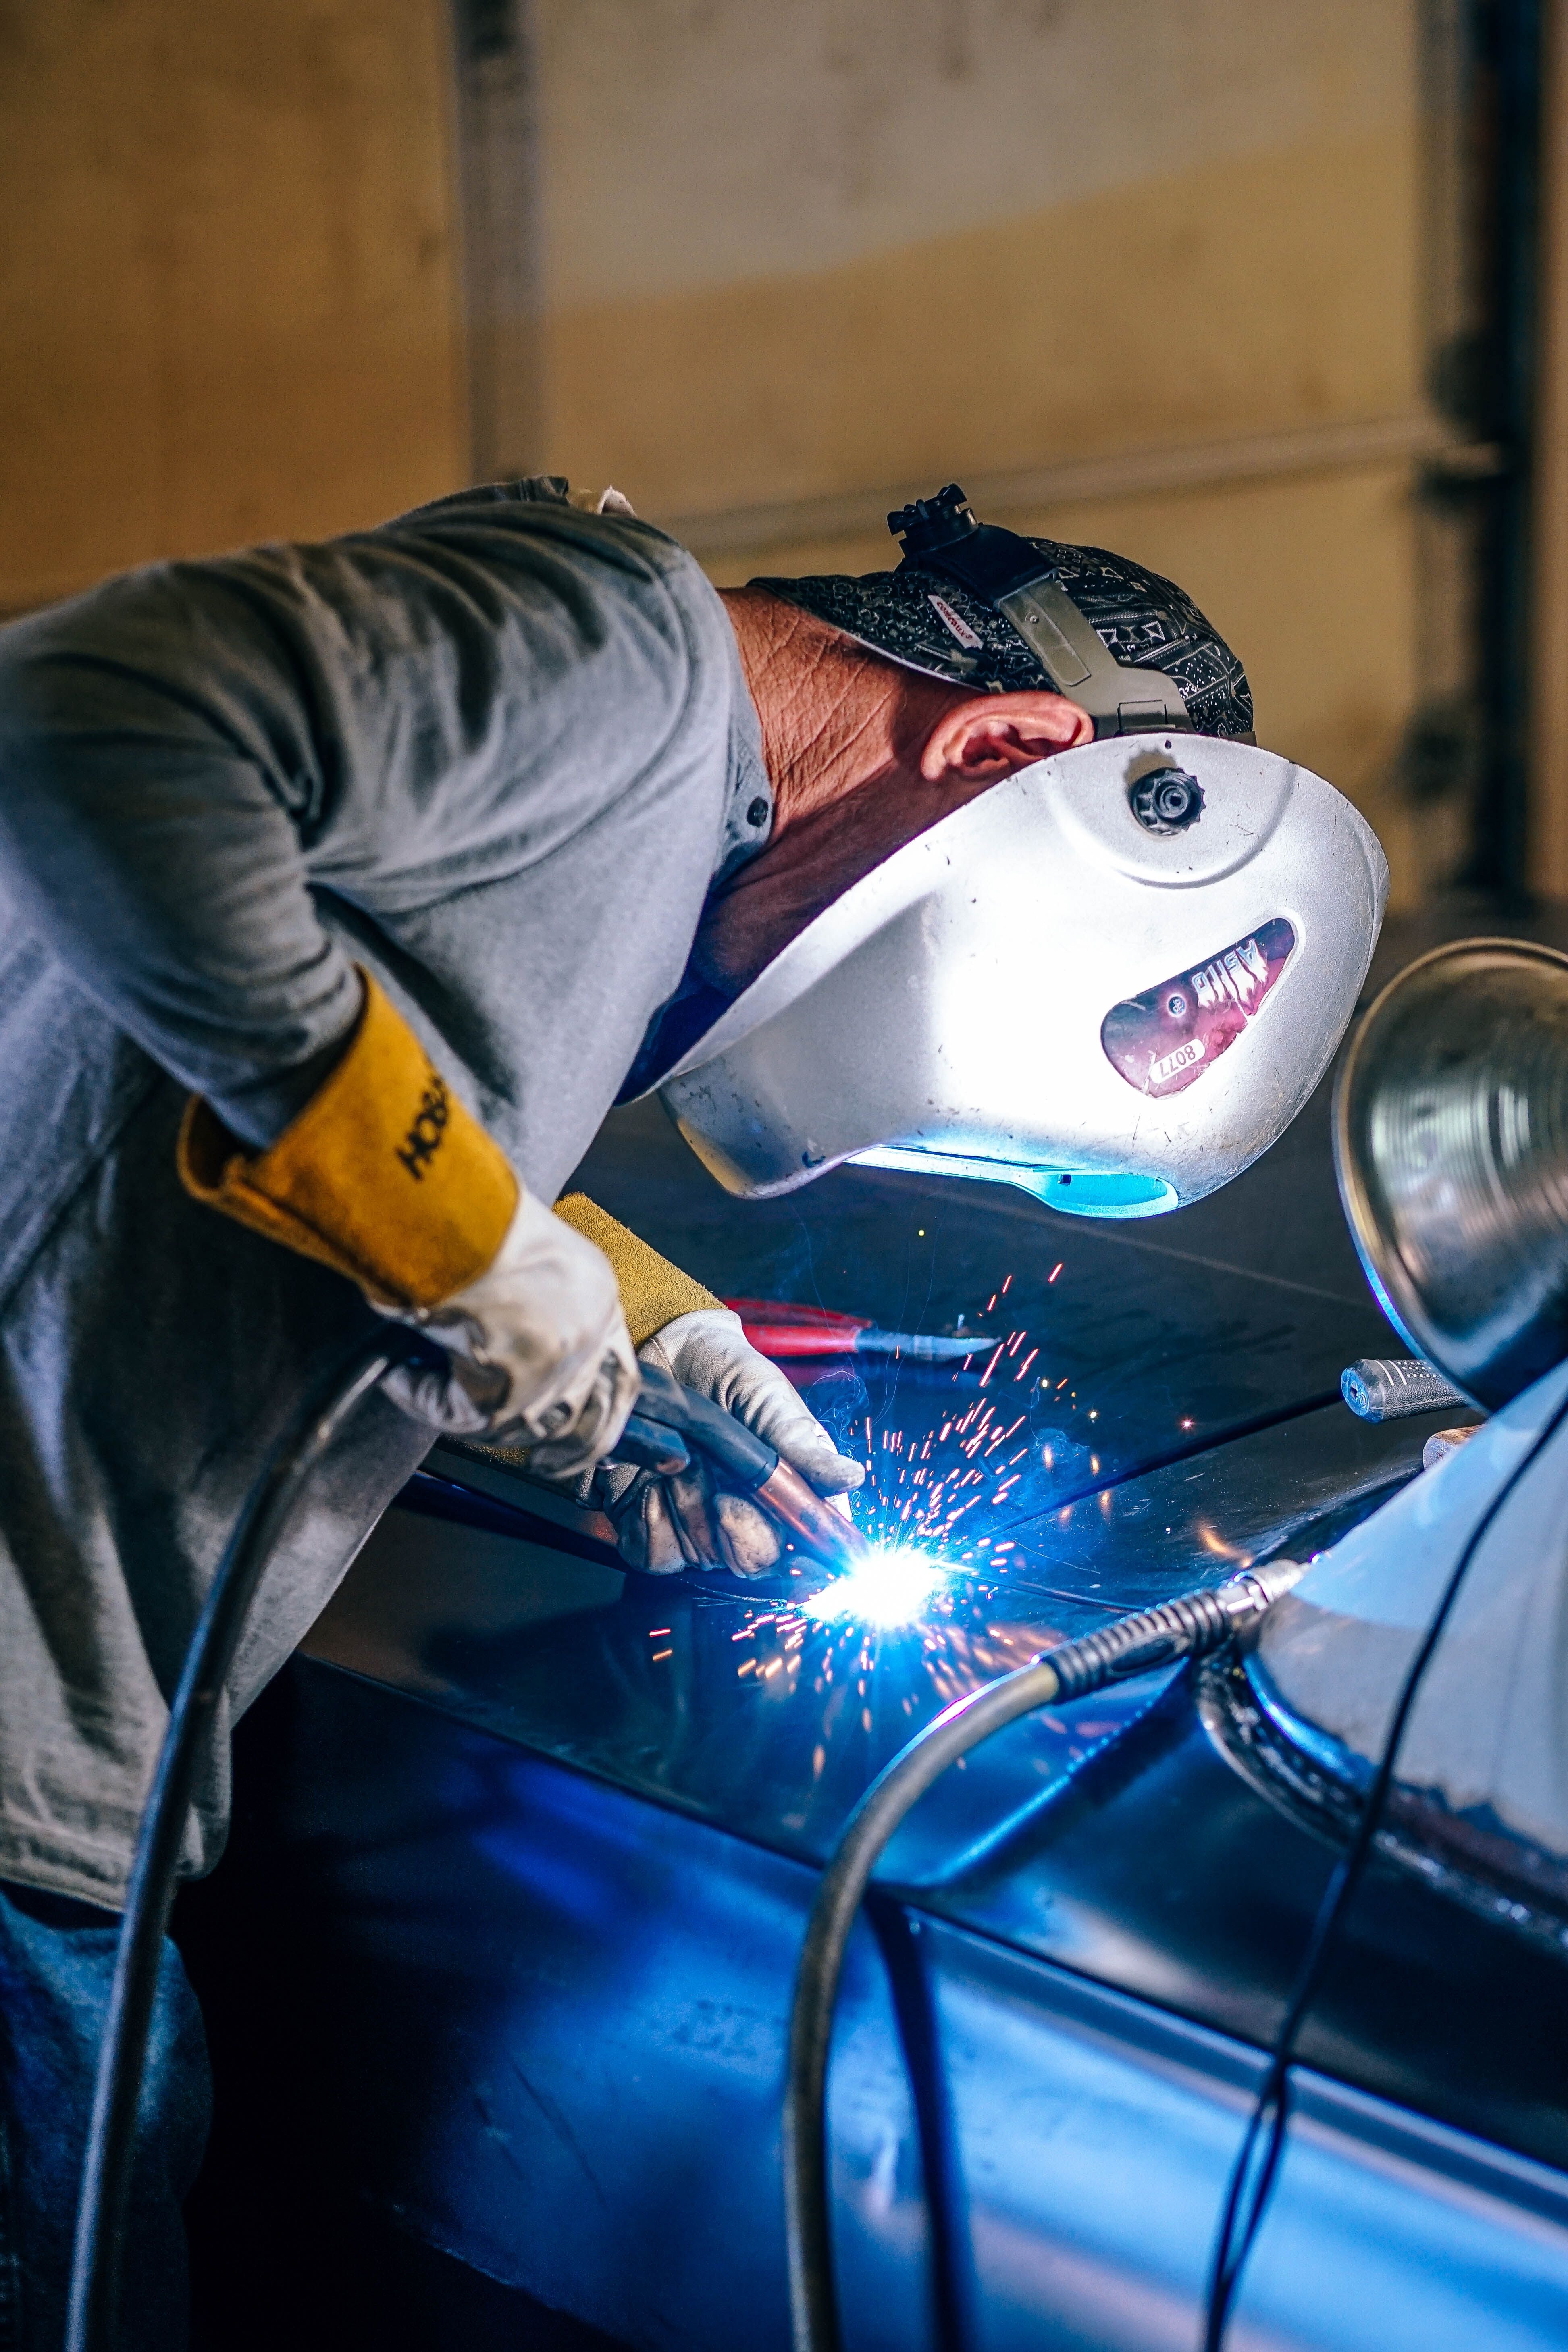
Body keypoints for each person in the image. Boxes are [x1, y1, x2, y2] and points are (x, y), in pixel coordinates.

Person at [0, 474, 1250, 2342]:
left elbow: (310, 1087)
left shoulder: (630, 812)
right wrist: (458, 1240)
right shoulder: (622, 652)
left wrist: (653, 1341)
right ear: (1001, 748)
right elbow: (75, 722)